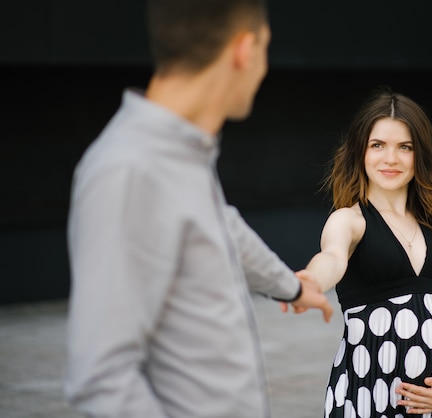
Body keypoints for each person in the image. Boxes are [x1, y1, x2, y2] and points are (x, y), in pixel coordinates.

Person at [64, 1, 333, 417]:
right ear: (244, 50)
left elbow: (225, 229)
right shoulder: (130, 169)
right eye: (266, 50)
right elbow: (101, 379)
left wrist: (294, 287)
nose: (264, 69)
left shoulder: (183, 152)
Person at [285, 87, 432, 417]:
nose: (391, 158)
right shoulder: (349, 220)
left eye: (405, 147)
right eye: (378, 145)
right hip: (368, 393)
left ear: (421, 155)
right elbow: (332, 257)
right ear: (361, 152)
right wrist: (312, 280)